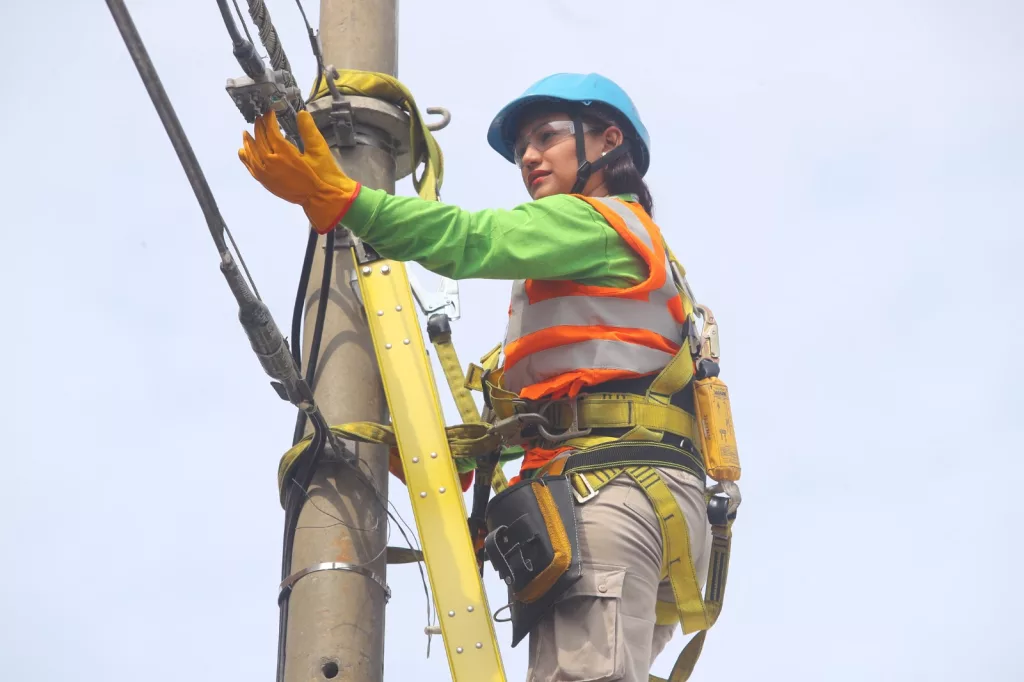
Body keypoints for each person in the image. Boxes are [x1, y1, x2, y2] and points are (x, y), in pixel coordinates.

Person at [240, 73, 716, 682]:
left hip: (611, 491)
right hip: (633, 492)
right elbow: (574, 402)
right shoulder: (606, 273)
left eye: (547, 137)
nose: (530, 158)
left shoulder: (596, 223)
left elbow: (471, 239)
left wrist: (346, 201)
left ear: (608, 141)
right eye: (522, 150)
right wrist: (453, 455)